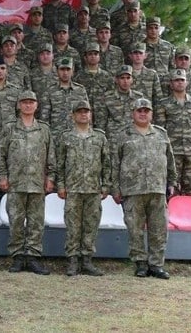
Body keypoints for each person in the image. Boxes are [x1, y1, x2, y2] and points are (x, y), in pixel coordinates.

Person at [113, 97, 177, 279]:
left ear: (151, 114)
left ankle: (156, 265)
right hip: (132, 190)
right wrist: (115, 188)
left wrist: (171, 182)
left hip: (157, 189)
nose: (143, 113)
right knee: (135, 229)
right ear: (133, 113)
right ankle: (140, 263)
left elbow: (170, 161)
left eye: (146, 111)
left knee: (159, 229)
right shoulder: (123, 135)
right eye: (139, 110)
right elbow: (115, 163)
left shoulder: (161, 134)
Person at [0, 90, 55, 275]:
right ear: (19, 105)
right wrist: (3, 175)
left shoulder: (44, 129)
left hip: (37, 183)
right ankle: (17, 257)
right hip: (16, 182)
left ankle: (33, 257)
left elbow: (50, 156)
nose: (28, 105)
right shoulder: (9, 128)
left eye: (31, 102)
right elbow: (1, 154)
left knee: (36, 222)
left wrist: (50, 178)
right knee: (15, 220)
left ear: (36, 105)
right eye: (24, 102)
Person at [56, 100, 110, 276]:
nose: (83, 114)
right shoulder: (66, 137)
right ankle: (72, 261)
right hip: (73, 189)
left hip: (93, 189)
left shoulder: (99, 137)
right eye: (79, 112)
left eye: (86, 111)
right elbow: (60, 164)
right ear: (73, 115)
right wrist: (61, 185)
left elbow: (107, 164)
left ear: (91, 114)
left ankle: (86, 260)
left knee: (90, 226)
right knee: (72, 227)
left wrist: (106, 185)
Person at [155, 69, 191, 196]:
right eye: (176, 80)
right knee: (172, 187)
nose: (179, 83)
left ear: (187, 82)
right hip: (173, 152)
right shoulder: (164, 104)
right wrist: (162, 150)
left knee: (189, 187)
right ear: (171, 84)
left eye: (182, 80)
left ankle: (188, 215)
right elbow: (160, 129)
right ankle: (172, 215)